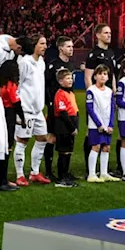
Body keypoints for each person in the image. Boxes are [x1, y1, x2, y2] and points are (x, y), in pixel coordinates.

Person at [15, 34, 48, 186]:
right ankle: (20, 175)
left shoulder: (41, 62)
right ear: (34, 45)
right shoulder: (24, 62)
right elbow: (18, 84)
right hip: (26, 110)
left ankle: (35, 172)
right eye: (42, 43)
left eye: (45, 43)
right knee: (22, 141)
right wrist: (18, 109)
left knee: (42, 138)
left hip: (38, 110)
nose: (45, 46)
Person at [43, 36, 76, 181]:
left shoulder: (71, 65)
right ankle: (49, 171)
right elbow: (46, 85)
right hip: (55, 107)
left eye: (72, 46)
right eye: (68, 46)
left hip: (67, 106)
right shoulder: (53, 65)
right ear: (60, 48)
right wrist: (49, 103)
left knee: (67, 138)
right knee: (52, 137)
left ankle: (64, 171)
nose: (71, 49)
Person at [85, 65, 117, 183]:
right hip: (95, 125)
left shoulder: (109, 91)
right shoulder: (91, 90)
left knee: (106, 147)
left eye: (105, 74)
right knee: (96, 146)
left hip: (106, 124)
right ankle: (92, 174)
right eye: (100, 74)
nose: (103, 76)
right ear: (95, 76)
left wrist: (110, 125)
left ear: (108, 77)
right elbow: (90, 109)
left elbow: (112, 108)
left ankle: (104, 173)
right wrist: (99, 124)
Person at [0, 60, 23, 192]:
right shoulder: (11, 85)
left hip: (1, 115)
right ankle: (2, 181)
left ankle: (2, 178)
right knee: (7, 148)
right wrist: (22, 118)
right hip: (9, 116)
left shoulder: (0, 85)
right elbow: (16, 103)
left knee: (3, 147)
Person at [50, 69, 79, 187]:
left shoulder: (70, 93)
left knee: (68, 152)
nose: (70, 80)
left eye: (71, 78)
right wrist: (72, 128)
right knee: (63, 152)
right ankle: (61, 177)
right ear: (60, 81)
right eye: (67, 78)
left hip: (70, 124)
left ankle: (66, 175)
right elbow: (63, 113)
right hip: (63, 127)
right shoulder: (60, 94)